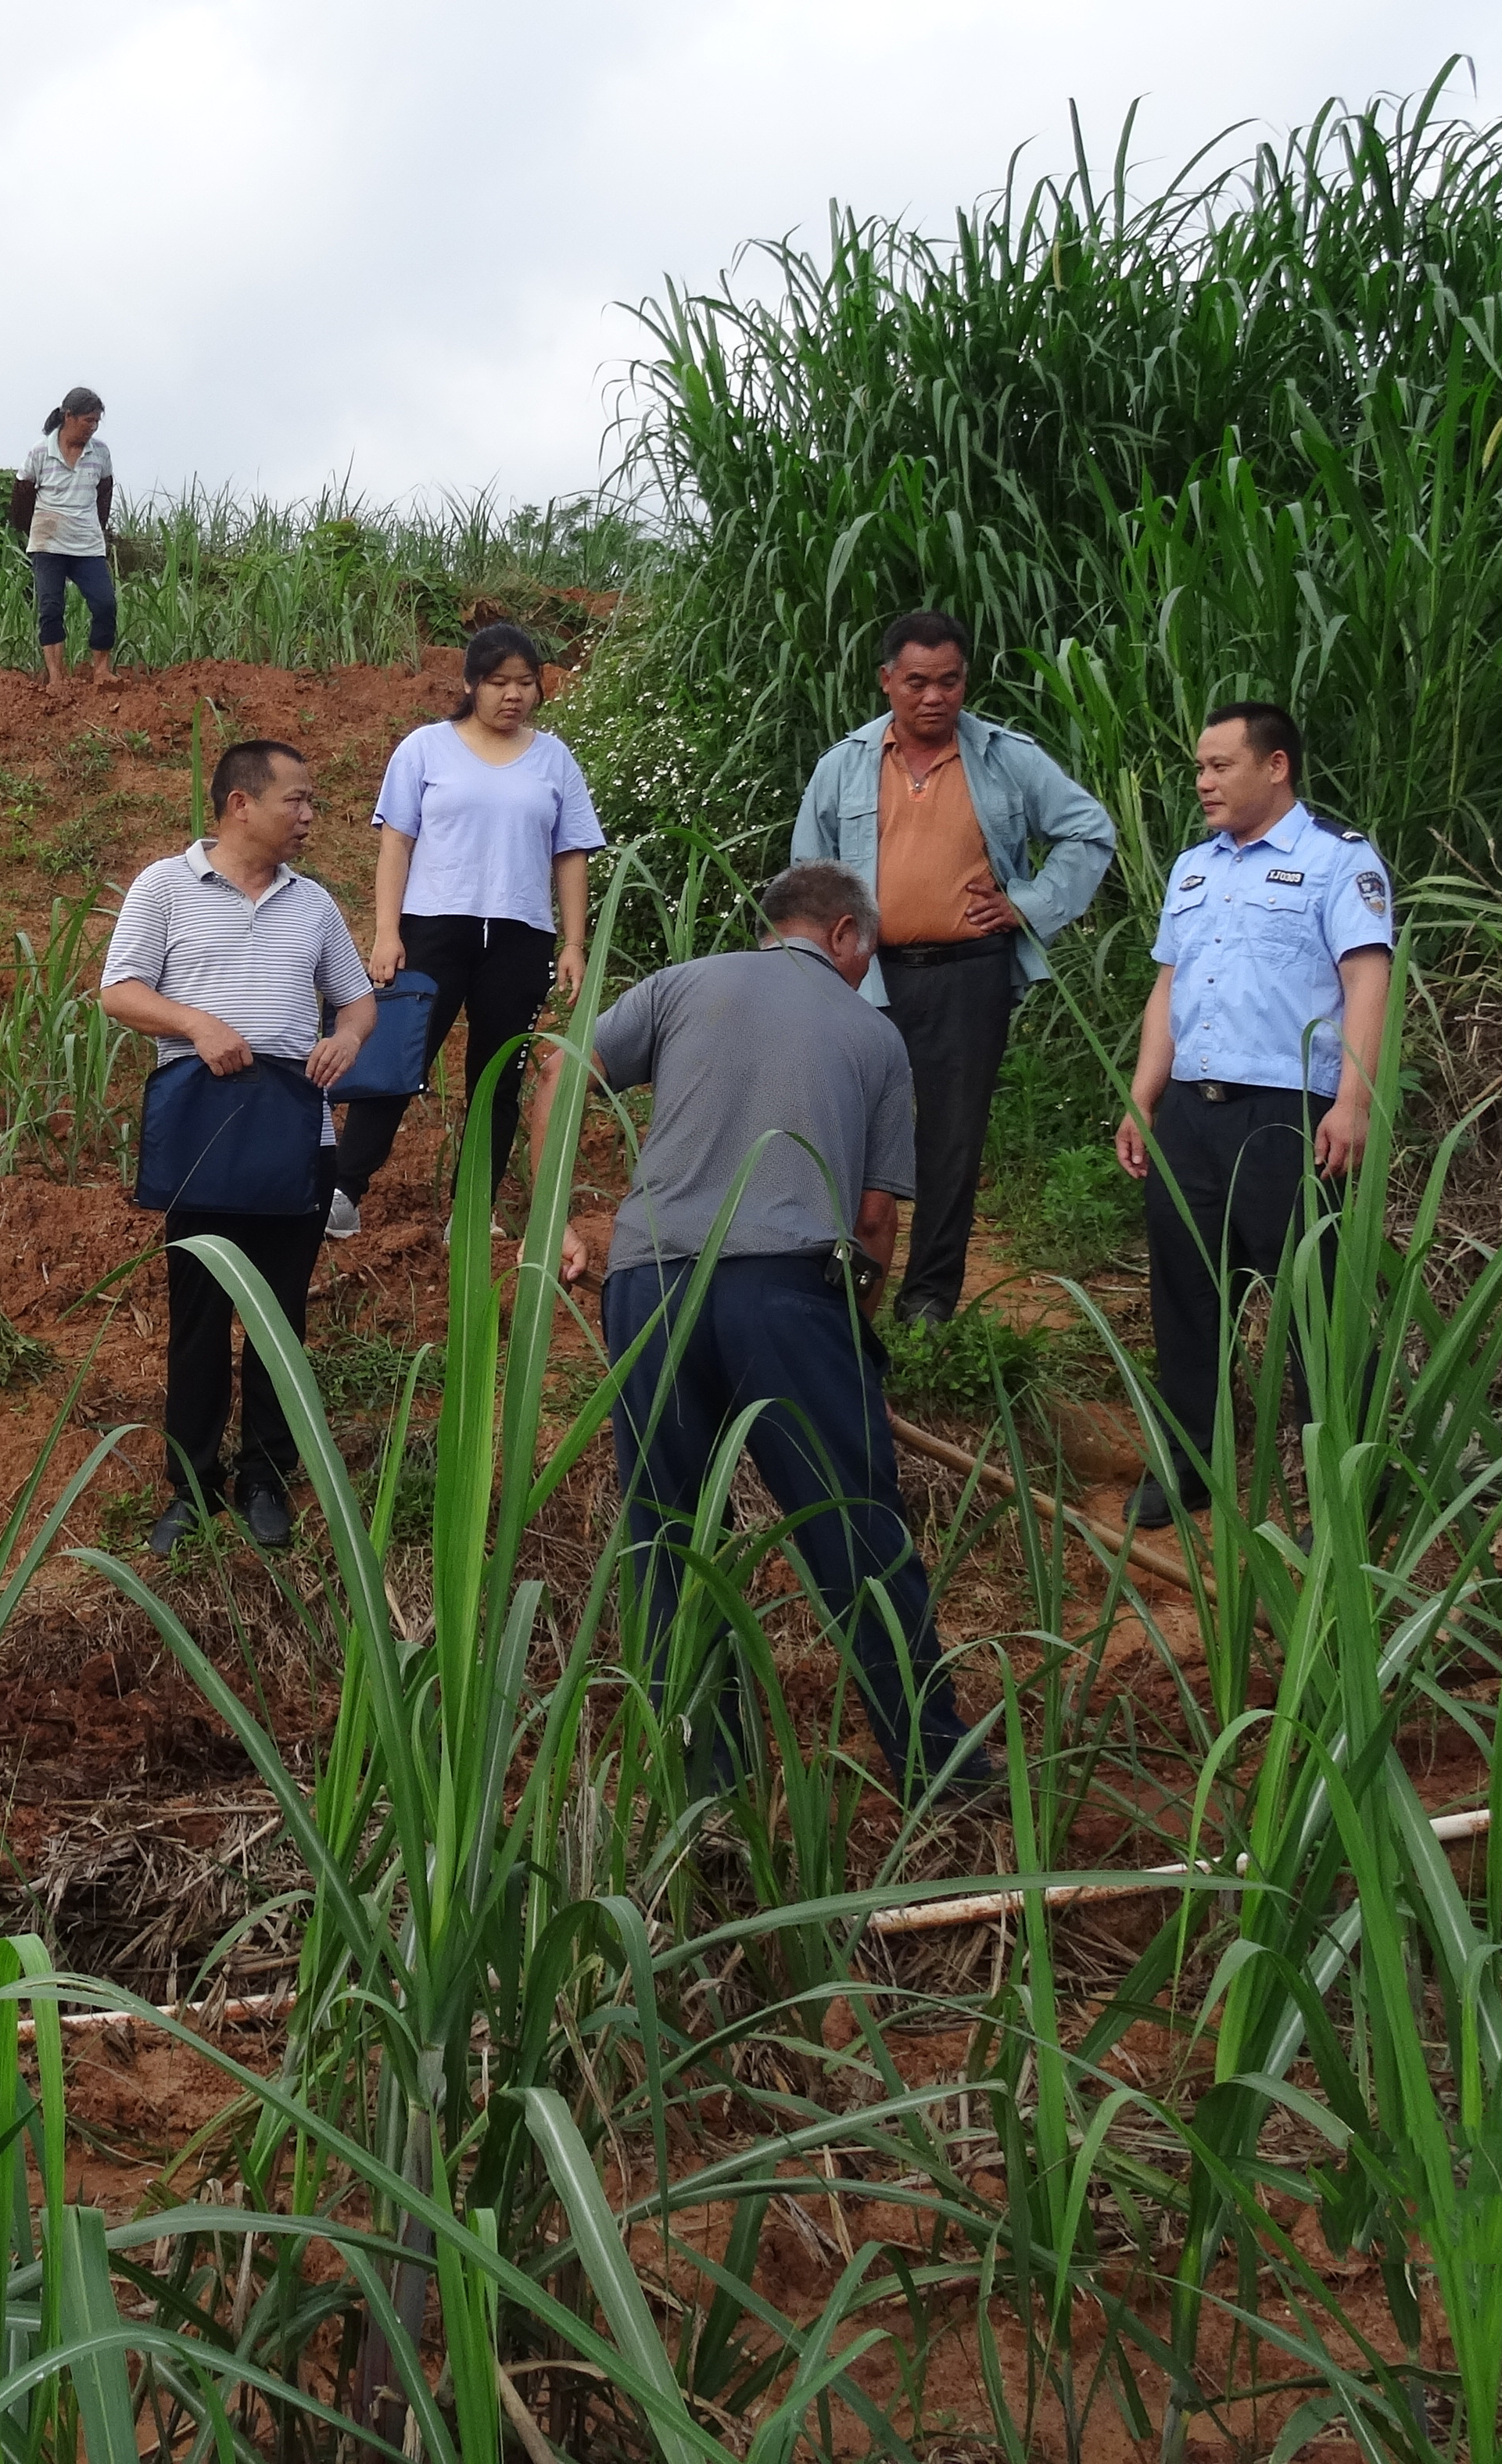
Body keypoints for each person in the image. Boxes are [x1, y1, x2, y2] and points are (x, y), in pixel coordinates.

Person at [547, 861, 991, 1802]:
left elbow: (561, 1068)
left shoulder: (680, 985)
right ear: (844, 935)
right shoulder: (873, 1035)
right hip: (786, 1295)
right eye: (868, 951)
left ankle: (705, 1790)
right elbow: (874, 1221)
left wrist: (555, 1225)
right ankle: (937, 1766)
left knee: (668, 1536)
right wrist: (851, 1334)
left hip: (651, 1285)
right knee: (856, 1532)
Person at [788, 610, 1119, 1324]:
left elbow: (1089, 830)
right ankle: (834, 1288)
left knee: (952, 1140)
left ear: (966, 680)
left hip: (969, 975)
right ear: (887, 681)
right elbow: (807, 874)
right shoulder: (844, 765)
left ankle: (928, 1302)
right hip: (865, 978)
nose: (934, 697)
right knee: (845, 1125)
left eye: (950, 681)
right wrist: (813, 970)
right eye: (917, 682)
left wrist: (1027, 904)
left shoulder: (1005, 758)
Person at [1112, 702, 1393, 1527]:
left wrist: (1353, 1101)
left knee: (1314, 1300)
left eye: (1220, 766)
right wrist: (1142, 1093)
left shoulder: (1337, 861)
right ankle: (1190, 1464)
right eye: (1199, 768)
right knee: (1186, 1294)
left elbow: (1367, 982)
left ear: (1276, 767)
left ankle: (1347, 1480)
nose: (1203, 782)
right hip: (1190, 1113)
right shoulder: (1194, 868)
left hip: (1286, 1116)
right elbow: (1169, 984)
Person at [101, 738, 378, 1553]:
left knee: (279, 1318)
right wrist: (196, 1024)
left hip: (296, 1135)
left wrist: (347, 1040)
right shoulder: (165, 886)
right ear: (240, 805)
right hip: (204, 1134)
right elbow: (119, 991)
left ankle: (265, 1479)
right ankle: (191, 1487)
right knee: (198, 1317)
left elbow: (357, 1002)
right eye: (297, 799)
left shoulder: (314, 904)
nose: (309, 815)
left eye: (312, 801)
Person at [328, 621, 607, 1234]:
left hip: (520, 936)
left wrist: (574, 943)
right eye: (499, 682)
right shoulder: (425, 749)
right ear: (470, 683)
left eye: (526, 683)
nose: (514, 695)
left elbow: (571, 855)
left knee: (498, 1076)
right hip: (432, 929)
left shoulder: (555, 759)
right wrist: (386, 933)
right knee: (397, 1058)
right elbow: (396, 844)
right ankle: (344, 1190)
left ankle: (471, 1211)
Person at [16, 388, 117, 692]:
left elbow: (104, 493)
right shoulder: (40, 452)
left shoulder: (100, 454)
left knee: (105, 604)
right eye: (88, 420)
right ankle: (56, 678)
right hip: (48, 543)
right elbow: (22, 495)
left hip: (87, 545)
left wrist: (97, 528)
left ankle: (102, 671)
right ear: (69, 416)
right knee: (51, 607)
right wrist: (31, 531)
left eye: (97, 422)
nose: (93, 427)